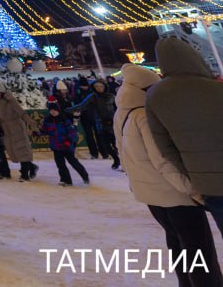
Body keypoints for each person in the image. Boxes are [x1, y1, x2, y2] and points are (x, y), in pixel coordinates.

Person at [116, 63, 222, 287]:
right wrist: (193, 190)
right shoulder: (145, 117)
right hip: (174, 194)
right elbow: (163, 161)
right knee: (198, 250)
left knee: (178, 244)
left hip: (152, 196)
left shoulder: (123, 113)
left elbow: (124, 157)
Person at [147, 36, 223, 236]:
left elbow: (165, 147)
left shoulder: (156, 96)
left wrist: (193, 176)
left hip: (209, 185)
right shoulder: (217, 88)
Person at [0, 82, 38, 181]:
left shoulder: (11, 101)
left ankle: (25, 175)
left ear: (1, 91)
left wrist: (32, 125)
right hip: (7, 130)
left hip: (17, 128)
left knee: (22, 151)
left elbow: (22, 113)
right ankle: (31, 167)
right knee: (14, 152)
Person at [40, 102, 90, 187]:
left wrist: (68, 141)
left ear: (58, 110)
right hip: (56, 146)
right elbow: (45, 131)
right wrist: (38, 132)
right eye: (51, 110)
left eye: (55, 110)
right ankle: (66, 180)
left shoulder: (64, 120)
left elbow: (72, 131)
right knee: (60, 164)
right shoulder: (47, 120)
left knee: (73, 162)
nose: (53, 112)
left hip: (66, 146)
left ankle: (85, 176)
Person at [75, 80, 121, 170]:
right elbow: (81, 106)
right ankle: (116, 159)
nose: (99, 88)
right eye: (96, 86)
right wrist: (69, 110)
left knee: (116, 144)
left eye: (101, 86)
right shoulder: (92, 97)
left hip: (112, 123)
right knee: (105, 144)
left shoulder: (111, 96)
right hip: (100, 124)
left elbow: (117, 108)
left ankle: (123, 160)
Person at [73, 80, 103, 160]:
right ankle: (94, 153)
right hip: (85, 117)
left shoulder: (91, 93)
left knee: (98, 134)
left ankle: (104, 152)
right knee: (89, 136)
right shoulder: (78, 94)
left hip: (94, 116)